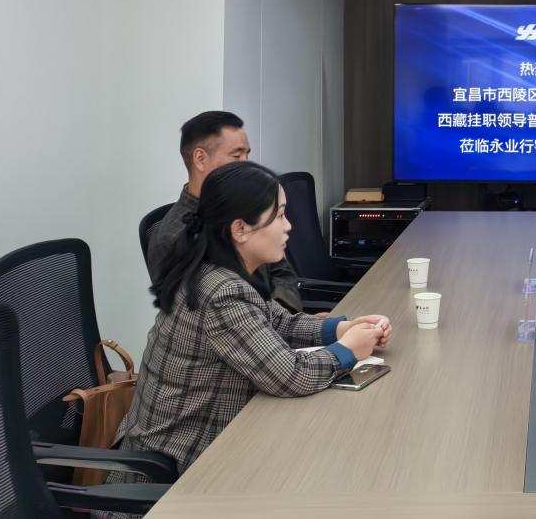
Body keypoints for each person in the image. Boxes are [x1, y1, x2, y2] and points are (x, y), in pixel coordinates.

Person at [111, 161, 392, 479]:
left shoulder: (222, 269)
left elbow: (277, 322)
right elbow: (291, 376)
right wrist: (348, 350)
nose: (289, 226)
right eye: (280, 216)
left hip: (206, 448)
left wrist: (340, 329)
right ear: (240, 229)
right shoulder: (221, 291)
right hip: (176, 473)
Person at [147, 111, 302, 311]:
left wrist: (288, 319)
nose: (247, 164)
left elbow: (282, 270)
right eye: (236, 156)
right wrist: (279, 322)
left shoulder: (244, 205)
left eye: (247, 155)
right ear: (200, 159)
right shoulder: (173, 237)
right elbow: (205, 311)